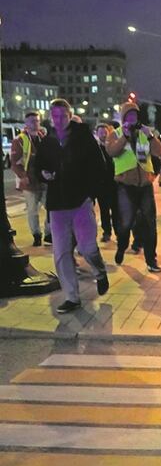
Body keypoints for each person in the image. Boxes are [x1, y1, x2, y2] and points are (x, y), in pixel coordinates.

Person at [34, 99, 110, 312]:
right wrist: (43, 174)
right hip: (57, 205)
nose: (59, 120)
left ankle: (100, 272)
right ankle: (72, 297)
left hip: (80, 202)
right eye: (55, 116)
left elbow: (99, 167)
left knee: (87, 247)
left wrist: (90, 193)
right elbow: (38, 166)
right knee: (61, 253)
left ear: (70, 116)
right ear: (50, 117)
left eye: (63, 116)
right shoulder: (47, 141)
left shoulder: (83, 138)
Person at [106, 102, 161, 273]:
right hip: (125, 185)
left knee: (150, 223)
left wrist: (151, 136)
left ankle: (151, 260)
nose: (132, 118)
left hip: (145, 185)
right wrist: (124, 136)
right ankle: (122, 246)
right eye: (129, 115)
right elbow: (111, 151)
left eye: (135, 115)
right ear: (124, 117)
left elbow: (159, 152)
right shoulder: (115, 134)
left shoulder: (144, 133)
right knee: (125, 223)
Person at [11, 111, 48, 247]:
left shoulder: (43, 138)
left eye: (37, 120)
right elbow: (15, 162)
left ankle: (48, 234)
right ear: (26, 123)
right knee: (32, 211)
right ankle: (37, 235)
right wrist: (23, 176)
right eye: (32, 121)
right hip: (29, 181)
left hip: (44, 180)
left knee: (51, 208)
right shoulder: (20, 140)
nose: (35, 123)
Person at [93, 123, 118, 242]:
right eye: (101, 132)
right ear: (97, 134)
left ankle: (119, 231)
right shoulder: (95, 149)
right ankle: (106, 232)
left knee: (116, 209)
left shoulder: (114, 147)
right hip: (101, 185)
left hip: (114, 183)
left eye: (105, 132)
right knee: (104, 210)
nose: (103, 134)